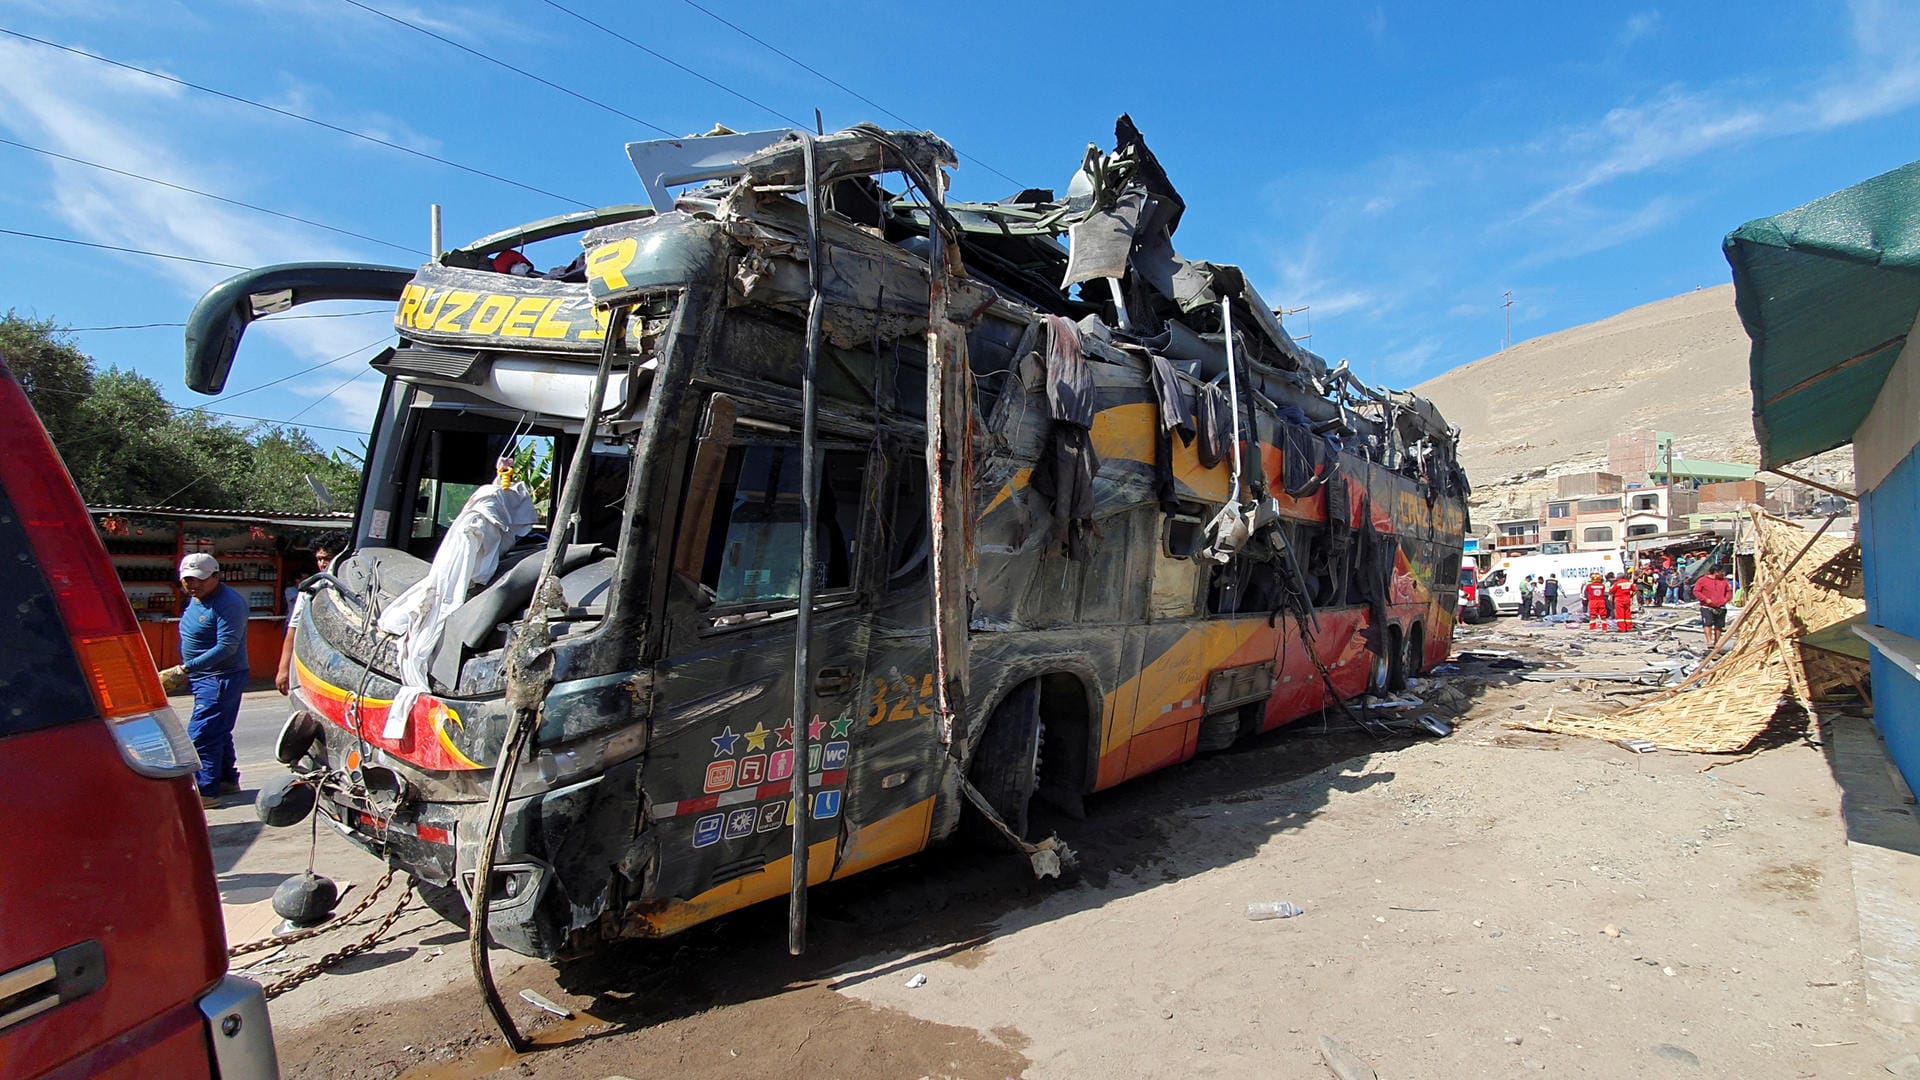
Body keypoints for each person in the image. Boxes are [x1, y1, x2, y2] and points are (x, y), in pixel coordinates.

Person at [158, 554, 251, 807]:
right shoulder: (197, 599)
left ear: (216, 576)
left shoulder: (228, 603)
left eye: (199, 580)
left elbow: (226, 647)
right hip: (203, 677)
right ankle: (225, 780)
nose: (192, 585)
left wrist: (184, 669)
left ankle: (206, 791)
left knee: (202, 734)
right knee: (218, 729)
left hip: (221, 677)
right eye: (187, 580)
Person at [277, 546, 332, 696]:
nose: (323, 563)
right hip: (312, 664)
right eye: (319, 559)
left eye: (327, 558)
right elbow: (293, 628)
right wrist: (283, 668)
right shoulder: (310, 590)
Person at [1693, 566, 1735, 648]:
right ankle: (1709, 641)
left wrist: (1725, 600)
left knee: (1719, 625)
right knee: (1707, 624)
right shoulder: (1702, 580)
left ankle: (1716, 642)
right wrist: (1705, 599)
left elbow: (1729, 591)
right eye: (1721, 572)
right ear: (1716, 572)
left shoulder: (1724, 581)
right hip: (1707, 606)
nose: (1723, 573)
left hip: (1720, 606)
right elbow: (1696, 591)